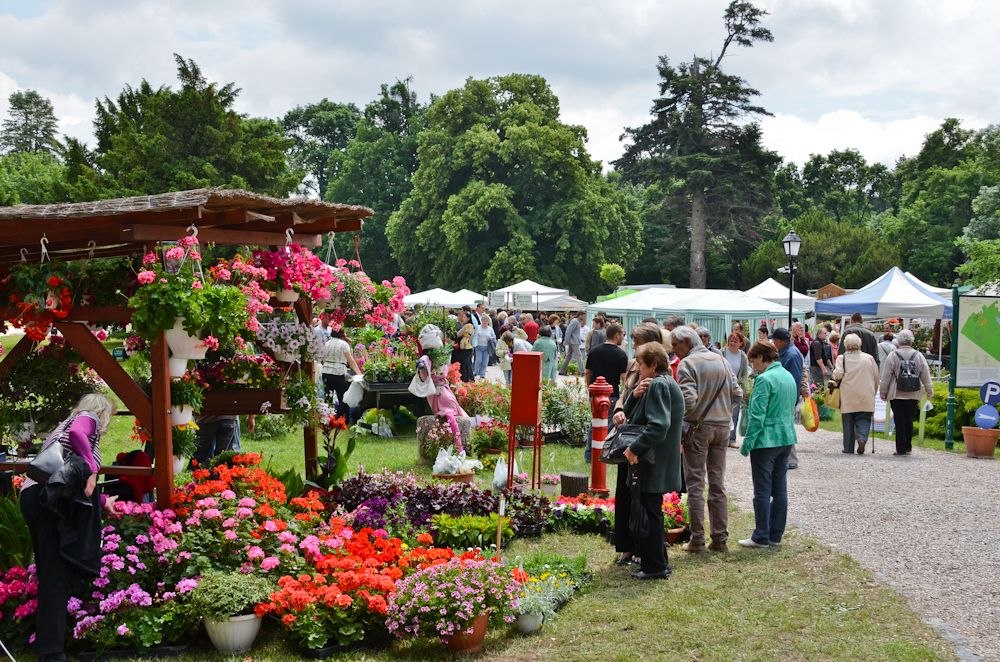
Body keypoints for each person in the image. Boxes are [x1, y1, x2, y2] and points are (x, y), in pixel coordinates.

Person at [20, 393, 117, 662]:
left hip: (33, 497)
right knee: (56, 577)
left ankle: (48, 647)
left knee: (50, 574)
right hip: (47, 501)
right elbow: (78, 435)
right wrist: (93, 466)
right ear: (104, 413)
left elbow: (65, 475)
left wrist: (101, 500)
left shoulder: (60, 428)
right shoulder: (87, 419)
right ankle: (51, 653)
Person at [615, 342, 684, 579]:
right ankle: (657, 561)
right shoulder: (662, 383)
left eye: (642, 365)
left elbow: (658, 425)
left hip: (654, 461)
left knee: (650, 512)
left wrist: (635, 447)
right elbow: (634, 416)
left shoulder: (659, 385)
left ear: (654, 365)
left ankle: (654, 566)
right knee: (651, 510)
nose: (639, 370)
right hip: (659, 460)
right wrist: (634, 395)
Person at [673, 325, 742, 553]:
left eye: (675, 345)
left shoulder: (688, 364)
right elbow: (738, 393)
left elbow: (689, 401)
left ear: (687, 343)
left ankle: (698, 540)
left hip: (698, 428)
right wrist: (722, 412)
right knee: (717, 482)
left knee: (695, 483)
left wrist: (679, 420)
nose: (674, 350)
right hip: (722, 427)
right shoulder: (721, 359)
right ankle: (720, 539)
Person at [738, 342, 798, 549]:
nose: (754, 366)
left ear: (763, 358)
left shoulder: (764, 379)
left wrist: (748, 442)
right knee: (780, 489)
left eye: (754, 361)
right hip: (786, 437)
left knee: (762, 490)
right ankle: (775, 535)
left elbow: (757, 416)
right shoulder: (788, 376)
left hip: (766, 440)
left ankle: (761, 535)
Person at [879, 329, 934, 455]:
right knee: (909, 420)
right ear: (911, 340)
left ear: (898, 341)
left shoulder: (893, 355)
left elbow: (886, 376)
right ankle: (908, 446)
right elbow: (925, 375)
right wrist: (929, 391)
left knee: (899, 421)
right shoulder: (918, 355)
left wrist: (883, 392)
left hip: (896, 394)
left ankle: (901, 448)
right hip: (914, 394)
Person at [584, 323, 628, 462]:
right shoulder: (621, 354)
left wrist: (589, 388)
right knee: (607, 425)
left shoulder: (594, 351)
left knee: (595, 423)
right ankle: (602, 454)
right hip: (612, 394)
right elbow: (624, 378)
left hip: (595, 394)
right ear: (616, 335)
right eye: (622, 334)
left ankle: (589, 454)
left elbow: (587, 372)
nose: (623, 337)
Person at [832, 333, 880, 454]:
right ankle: (862, 439)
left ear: (845, 345)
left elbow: (837, 374)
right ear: (859, 344)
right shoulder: (869, 358)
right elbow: (876, 377)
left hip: (848, 394)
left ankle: (848, 448)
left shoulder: (842, 358)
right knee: (864, 419)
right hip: (866, 393)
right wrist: (873, 391)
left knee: (848, 421)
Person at [770, 328, 809, 470]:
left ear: (780, 341)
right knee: (785, 426)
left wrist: (789, 400)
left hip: (787, 398)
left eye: (774, 340)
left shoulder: (791, 355)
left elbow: (794, 380)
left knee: (786, 427)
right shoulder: (787, 352)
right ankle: (786, 458)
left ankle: (791, 459)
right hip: (786, 398)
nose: (772, 343)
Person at [320, 327, 363, 418]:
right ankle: (341, 418)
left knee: (328, 397)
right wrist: (359, 374)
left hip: (326, 372)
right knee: (343, 397)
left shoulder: (326, 343)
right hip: (338, 373)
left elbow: (322, 358)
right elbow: (351, 361)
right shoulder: (344, 344)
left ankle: (326, 417)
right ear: (342, 334)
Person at [723, 332, 749, 449]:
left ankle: (732, 439)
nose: (732, 343)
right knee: (722, 413)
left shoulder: (742, 356)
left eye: (735, 341)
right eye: (731, 340)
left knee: (734, 414)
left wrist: (744, 390)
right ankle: (722, 438)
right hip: (722, 387)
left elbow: (744, 375)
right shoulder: (722, 353)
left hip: (735, 388)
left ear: (741, 343)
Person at [472, 313, 496, 380]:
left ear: (488, 322)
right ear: (481, 321)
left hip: (487, 347)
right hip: (478, 346)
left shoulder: (490, 329)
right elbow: (473, 335)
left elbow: (494, 337)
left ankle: (482, 374)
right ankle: (476, 372)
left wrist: (490, 338)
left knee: (485, 361)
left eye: (486, 321)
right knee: (478, 360)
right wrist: (477, 335)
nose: (485, 322)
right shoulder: (478, 327)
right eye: (484, 321)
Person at [455, 310, 475, 382]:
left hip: (466, 347)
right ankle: (469, 378)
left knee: (463, 364)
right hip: (468, 347)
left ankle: (465, 379)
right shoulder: (470, 325)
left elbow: (458, 334)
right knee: (467, 364)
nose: (462, 318)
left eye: (464, 317)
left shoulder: (467, 325)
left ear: (468, 318)